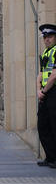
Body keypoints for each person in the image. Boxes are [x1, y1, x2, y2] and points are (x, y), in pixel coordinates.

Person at [38, 24, 56, 167]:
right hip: (45, 93)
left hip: (53, 92)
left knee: (53, 125)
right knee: (43, 125)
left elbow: (55, 75)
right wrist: (39, 90)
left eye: (49, 37)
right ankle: (50, 157)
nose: (47, 40)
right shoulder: (45, 53)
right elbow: (41, 73)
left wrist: (43, 92)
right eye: (45, 37)